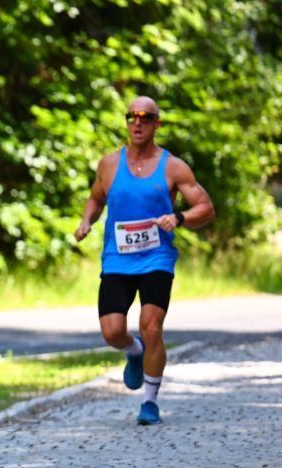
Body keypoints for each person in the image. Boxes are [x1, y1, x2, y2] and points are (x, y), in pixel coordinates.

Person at [74, 96, 215, 425]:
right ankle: (133, 351)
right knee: (112, 333)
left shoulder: (173, 167)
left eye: (146, 117)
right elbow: (95, 198)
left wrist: (179, 217)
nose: (137, 122)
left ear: (156, 124)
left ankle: (150, 402)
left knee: (151, 328)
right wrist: (86, 221)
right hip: (117, 259)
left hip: (156, 258)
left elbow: (206, 208)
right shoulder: (109, 164)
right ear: (126, 122)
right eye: (132, 116)